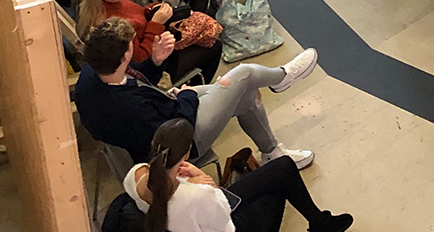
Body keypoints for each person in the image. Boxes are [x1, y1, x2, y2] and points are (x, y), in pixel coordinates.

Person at [74, 17, 318, 167]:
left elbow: (140, 83)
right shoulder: (128, 107)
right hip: (181, 144)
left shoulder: (94, 70)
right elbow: (178, 129)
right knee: (244, 75)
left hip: (162, 112)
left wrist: (155, 62)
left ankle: (271, 151)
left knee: (244, 93)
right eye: (131, 47)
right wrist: (186, 96)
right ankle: (282, 77)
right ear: (124, 56)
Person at [125, 117, 352, 232]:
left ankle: (320, 222)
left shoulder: (136, 174)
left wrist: (193, 183)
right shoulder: (196, 194)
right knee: (279, 184)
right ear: (186, 154)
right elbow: (224, 218)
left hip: (196, 216)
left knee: (282, 168)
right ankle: (320, 223)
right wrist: (208, 185)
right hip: (226, 223)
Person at [78, 0, 222, 87]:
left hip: (155, 41)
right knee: (214, 46)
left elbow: (137, 14)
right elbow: (139, 58)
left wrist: (152, 9)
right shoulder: (112, 24)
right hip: (154, 66)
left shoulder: (110, 1)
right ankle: (196, 90)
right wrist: (156, 23)